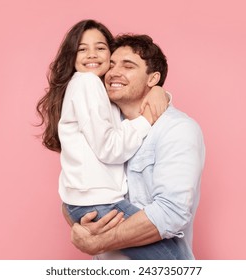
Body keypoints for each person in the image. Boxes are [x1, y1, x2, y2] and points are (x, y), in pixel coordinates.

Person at [36, 19, 188, 259]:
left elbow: (128, 108)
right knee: (177, 260)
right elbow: (110, 148)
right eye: (82, 49)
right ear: (72, 57)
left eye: (100, 48)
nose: (91, 55)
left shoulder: (99, 92)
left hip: (89, 203)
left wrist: (161, 92)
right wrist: (147, 119)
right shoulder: (87, 83)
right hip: (100, 203)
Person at [69, 34, 206, 260]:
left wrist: (97, 241)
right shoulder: (101, 128)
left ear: (153, 79)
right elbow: (75, 188)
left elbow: (170, 212)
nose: (113, 72)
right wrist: (78, 226)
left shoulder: (177, 129)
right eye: (111, 65)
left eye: (128, 65)